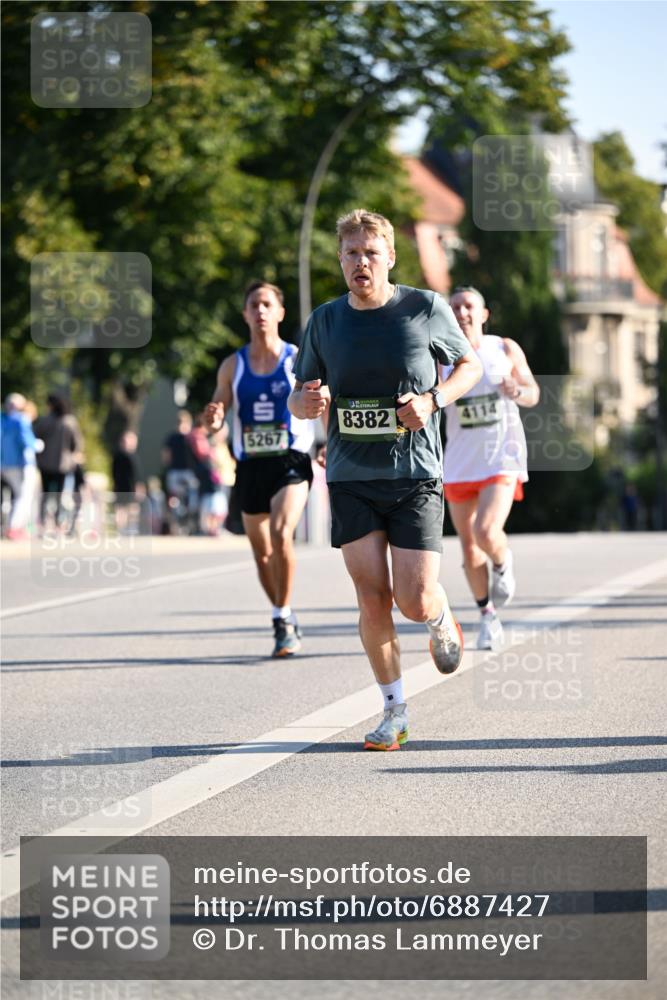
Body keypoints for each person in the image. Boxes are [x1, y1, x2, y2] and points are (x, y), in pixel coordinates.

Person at [288, 210, 482, 751]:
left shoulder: (424, 308)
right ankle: (394, 711)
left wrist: (434, 399)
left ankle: (440, 613)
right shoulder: (325, 320)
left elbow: (468, 366)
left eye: (371, 252)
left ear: (390, 257)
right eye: (351, 253)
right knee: (371, 598)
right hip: (351, 475)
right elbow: (300, 396)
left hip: (415, 473)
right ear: (341, 260)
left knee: (413, 598)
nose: (361, 263)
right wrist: (304, 403)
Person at [205, 281, 315, 657]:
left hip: (292, 461)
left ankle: (282, 619)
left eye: (268, 304)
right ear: (246, 314)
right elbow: (216, 413)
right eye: (254, 304)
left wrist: (329, 443)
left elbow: (321, 400)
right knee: (261, 553)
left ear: (281, 313)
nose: (261, 310)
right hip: (250, 465)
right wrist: (214, 417)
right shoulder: (232, 365)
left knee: (283, 533)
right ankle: (281, 611)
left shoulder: (296, 358)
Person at [442, 286, 540, 651]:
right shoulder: (441, 357)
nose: (462, 312)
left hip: (502, 455)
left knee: (486, 531)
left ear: (483, 314)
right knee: (468, 550)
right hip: (459, 463)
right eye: (455, 307)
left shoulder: (504, 348)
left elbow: (533, 393)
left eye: (469, 306)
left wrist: (518, 390)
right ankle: (488, 616)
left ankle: (502, 560)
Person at [32, 394, 84, 532]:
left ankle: (43, 523)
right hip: (64, 464)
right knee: (60, 494)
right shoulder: (69, 421)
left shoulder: (45, 421)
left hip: (45, 463)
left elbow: (35, 438)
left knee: (45, 493)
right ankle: (57, 523)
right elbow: (77, 443)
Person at [0, 393, 37, 539]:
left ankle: (6, 526)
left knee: (4, 498)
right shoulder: (20, 420)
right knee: (21, 496)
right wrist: (38, 445)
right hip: (17, 464)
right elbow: (28, 442)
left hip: (2, 464)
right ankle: (14, 527)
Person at [112, 430, 145, 533]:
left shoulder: (116, 456)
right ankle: (129, 529)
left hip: (118, 487)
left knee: (121, 509)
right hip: (130, 488)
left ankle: (121, 530)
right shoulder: (132, 457)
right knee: (131, 509)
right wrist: (139, 487)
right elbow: (136, 475)